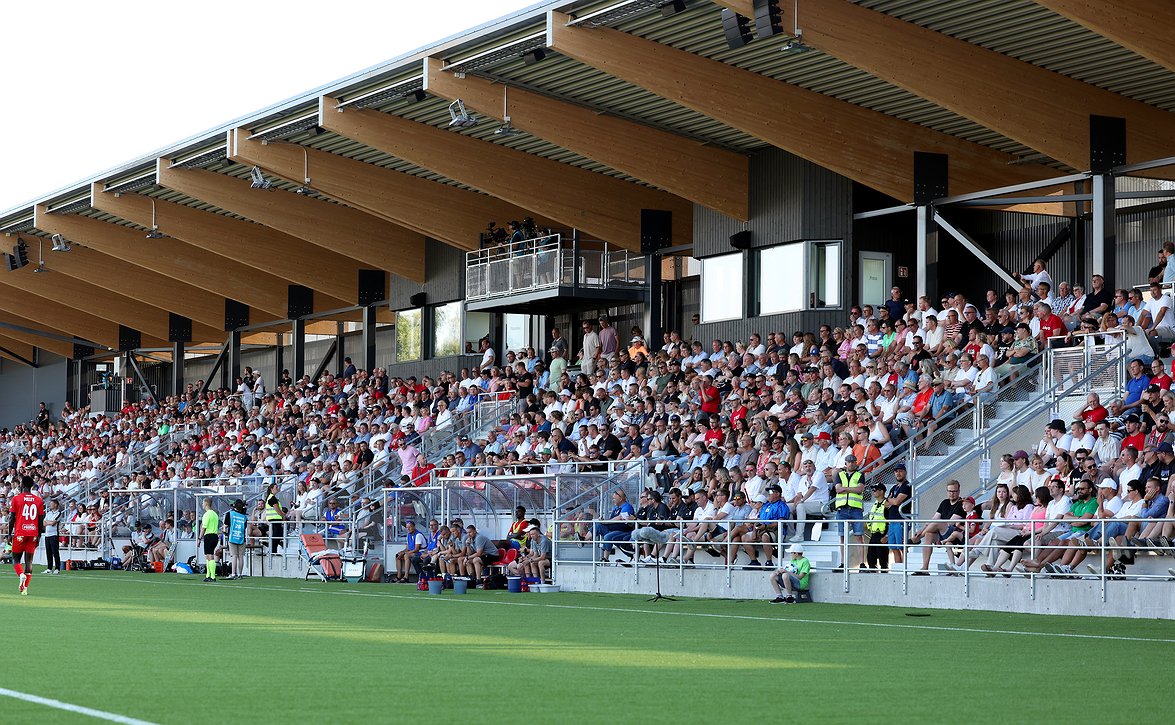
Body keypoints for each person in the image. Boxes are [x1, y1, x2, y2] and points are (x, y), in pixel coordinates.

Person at [8, 476, 44, 595]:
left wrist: (9, 534)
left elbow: (12, 518)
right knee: (29, 561)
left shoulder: (16, 499)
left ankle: (21, 575)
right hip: (33, 532)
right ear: (32, 485)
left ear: (22, 485)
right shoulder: (38, 500)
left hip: (20, 532)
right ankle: (25, 589)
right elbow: (40, 519)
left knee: (15, 558)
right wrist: (38, 535)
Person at [832, 454, 865, 571]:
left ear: (856, 463)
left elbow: (859, 489)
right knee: (842, 537)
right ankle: (842, 563)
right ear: (845, 463)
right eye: (848, 462)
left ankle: (861, 563)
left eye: (853, 462)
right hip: (842, 509)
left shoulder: (860, 475)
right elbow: (837, 489)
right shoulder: (839, 475)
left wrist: (844, 489)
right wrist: (852, 490)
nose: (850, 464)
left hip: (855, 509)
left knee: (859, 536)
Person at [864, 483, 889, 571]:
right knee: (870, 557)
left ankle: (884, 573)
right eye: (873, 490)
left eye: (875, 490)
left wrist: (887, 535)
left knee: (882, 558)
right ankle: (872, 571)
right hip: (874, 534)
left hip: (882, 534)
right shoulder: (875, 503)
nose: (873, 492)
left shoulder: (887, 504)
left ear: (882, 491)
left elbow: (889, 520)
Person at [224, 499, 248, 580]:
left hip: (232, 536)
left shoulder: (230, 514)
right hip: (241, 537)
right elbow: (244, 527)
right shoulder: (244, 516)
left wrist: (225, 532)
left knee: (234, 556)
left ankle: (233, 573)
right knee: (241, 556)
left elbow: (225, 526)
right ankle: (240, 574)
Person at [197, 498, 220, 582]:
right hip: (215, 535)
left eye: (203, 503)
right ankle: (208, 575)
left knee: (209, 556)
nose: (202, 505)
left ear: (206, 504)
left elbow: (203, 527)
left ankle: (212, 576)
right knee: (208, 555)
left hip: (209, 535)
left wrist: (199, 538)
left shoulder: (207, 514)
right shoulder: (215, 514)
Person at [262, 483, 286, 554]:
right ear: (271, 489)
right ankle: (272, 549)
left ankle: (273, 549)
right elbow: (277, 509)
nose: (277, 488)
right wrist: (283, 515)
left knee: (278, 535)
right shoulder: (272, 498)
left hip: (274, 519)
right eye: (276, 487)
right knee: (276, 535)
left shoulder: (271, 497)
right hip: (274, 519)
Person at [41, 497, 62, 575]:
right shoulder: (49, 513)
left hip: (54, 534)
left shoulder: (58, 513)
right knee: (48, 552)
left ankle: (57, 568)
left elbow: (54, 522)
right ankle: (49, 568)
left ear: (56, 505)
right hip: (47, 535)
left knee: (55, 552)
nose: (50, 505)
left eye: (52, 504)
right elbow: (43, 523)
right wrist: (49, 522)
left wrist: (48, 522)